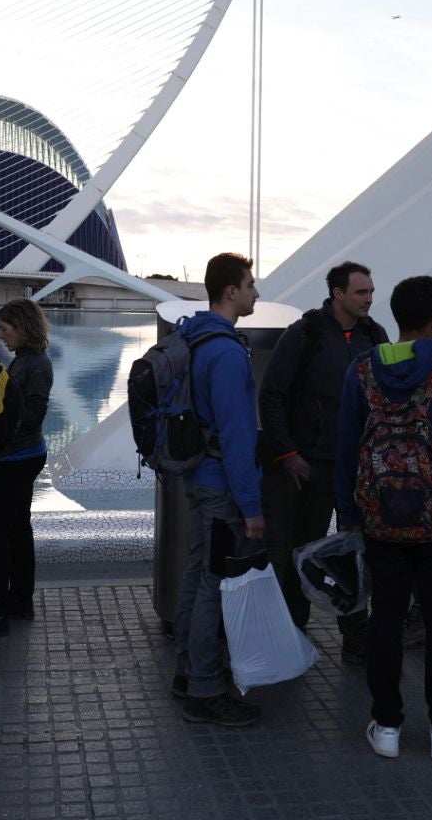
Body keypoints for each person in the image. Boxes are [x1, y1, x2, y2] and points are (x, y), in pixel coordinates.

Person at [336, 275, 432, 762]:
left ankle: (386, 725)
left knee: (385, 616)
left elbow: (346, 449)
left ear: (397, 318)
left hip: (378, 514)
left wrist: (349, 512)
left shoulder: (361, 369)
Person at [257, 261, 388, 662]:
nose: (369, 299)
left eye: (370, 291)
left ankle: (356, 637)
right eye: (361, 292)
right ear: (338, 294)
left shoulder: (374, 335)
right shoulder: (306, 334)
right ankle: (294, 630)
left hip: (359, 469)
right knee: (303, 550)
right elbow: (271, 395)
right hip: (310, 467)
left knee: (359, 551)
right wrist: (289, 454)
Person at [170, 252, 263, 728]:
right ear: (231, 291)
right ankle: (205, 688)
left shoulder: (195, 335)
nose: (255, 293)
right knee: (214, 583)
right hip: (222, 485)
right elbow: (237, 435)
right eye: (250, 285)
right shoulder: (226, 353)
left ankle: (188, 669)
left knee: (197, 573)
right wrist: (251, 506)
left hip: (198, 477)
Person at [0, 298, 54, 638]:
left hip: (21, 457)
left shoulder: (35, 366)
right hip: (20, 455)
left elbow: (33, 415)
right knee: (17, 529)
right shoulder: (25, 360)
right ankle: (20, 600)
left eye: (6, 329)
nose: (2, 336)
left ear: (22, 329)